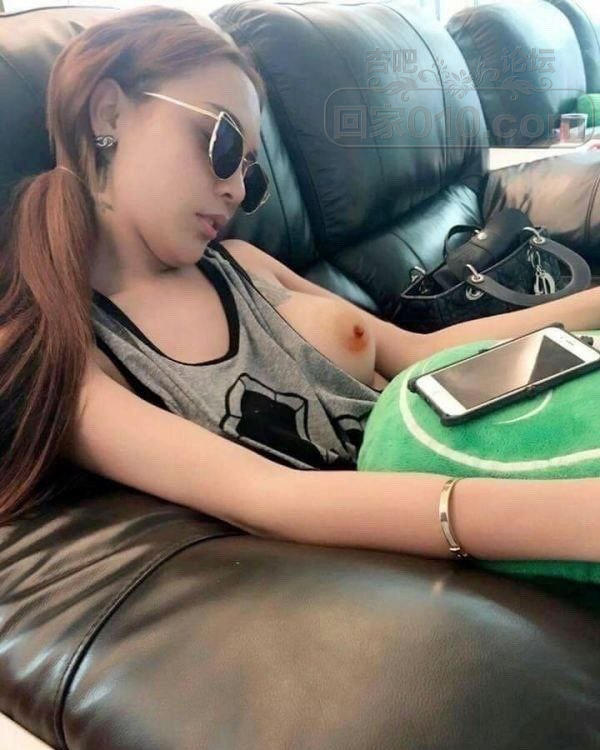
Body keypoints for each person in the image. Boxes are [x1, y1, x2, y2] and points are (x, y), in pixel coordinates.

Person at [0, 5, 598, 566]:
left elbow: (421, 354)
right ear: (110, 114)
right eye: (222, 144)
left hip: (490, 440)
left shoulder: (243, 263)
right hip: (458, 532)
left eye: (250, 172)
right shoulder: (68, 356)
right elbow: (270, 496)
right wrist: (571, 517)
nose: (237, 190)